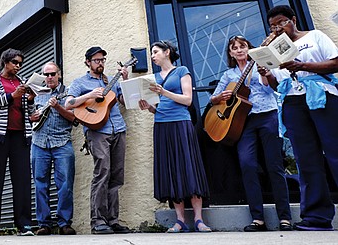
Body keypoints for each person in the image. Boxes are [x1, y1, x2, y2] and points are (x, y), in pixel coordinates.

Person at [258, 5, 338, 231]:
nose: (278, 28)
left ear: (293, 19)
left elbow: (336, 62)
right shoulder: (276, 50)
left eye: (282, 22)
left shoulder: (315, 36)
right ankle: (316, 218)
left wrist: (303, 65)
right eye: (273, 26)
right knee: (306, 160)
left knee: (335, 151)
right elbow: (277, 85)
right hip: (293, 101)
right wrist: (269, 75)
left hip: (322, 96)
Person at [210, 35, 292, 231]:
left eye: (242, 46)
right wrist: (221, 96)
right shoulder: (228, 75)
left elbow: (270, 88)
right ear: (230, 53)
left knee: (274, 165)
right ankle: (258, 218)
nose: (239, 50)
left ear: (249, 49)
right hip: (242, 122)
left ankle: (285, 218)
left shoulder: (260, 65)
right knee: (247, 165)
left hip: (266, 115)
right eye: (234, 48)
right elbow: (213, 99)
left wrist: (265, 74)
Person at [138, 41, 211, 233]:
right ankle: (180, 220)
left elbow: (187, 100)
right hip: (162, 125)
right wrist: (149, 108)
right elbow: (157, 107)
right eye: (152, 53)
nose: (152, 56)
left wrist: (164, 92)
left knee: (189, 166)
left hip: (181, 122)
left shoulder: (182, 71)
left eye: (155, 52)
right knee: (171, 168)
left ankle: (198, 219)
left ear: (167, 52)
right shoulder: (152, 77)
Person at [65, 46, 131, 235]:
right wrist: (89, 95)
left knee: (116, 176)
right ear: (88, 62)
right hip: (97, 131)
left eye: (102, 60)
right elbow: (68, 104)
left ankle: (113, 220)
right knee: (102, 173)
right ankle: (98, 222)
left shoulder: (111, 80)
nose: (100, 63)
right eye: (96, 60)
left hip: (118, 128)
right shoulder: (80, 83)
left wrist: (125, 80)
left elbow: (124, 101)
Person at [0, 48, 35, 237]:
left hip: (20, 135)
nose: (18, 66)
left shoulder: (22, 82)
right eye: (15, 62)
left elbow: (28, 111)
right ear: (5, 62)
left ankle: (25, 225)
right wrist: (12, 96)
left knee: (22, 180)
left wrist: (30, 99)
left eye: (20, 63)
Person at [29, 62, 77, 235]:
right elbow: (30, 116)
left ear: (59, 74)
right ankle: (44, 224)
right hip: (39, 143)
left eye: (52, 74)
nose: (49, 77)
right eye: (46, 74)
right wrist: (32, 117)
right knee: (40, 184)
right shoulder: (37, 94)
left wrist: (58, 106)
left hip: (62, 142)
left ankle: (64, 223)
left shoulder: (69, 93)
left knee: (65, 184)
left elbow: (74, 118)